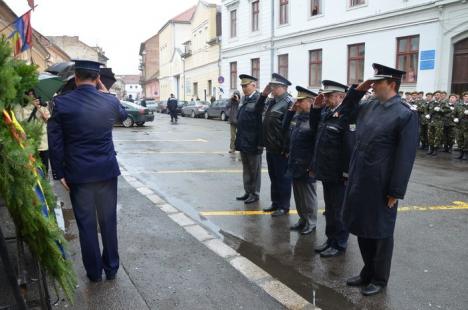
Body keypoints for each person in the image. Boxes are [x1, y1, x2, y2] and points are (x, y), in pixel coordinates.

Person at [341, 63, 418, 296]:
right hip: (360, 176)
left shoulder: (405, 113)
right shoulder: (369, 105)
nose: (373, 85)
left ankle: (380, 278)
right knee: (363, 228)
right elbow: (344, 113)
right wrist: (358, 91)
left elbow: (406, 157)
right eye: (372, 82)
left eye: (378, 82)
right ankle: (367, 271)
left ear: (392, 84)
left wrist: (396, 190)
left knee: (381, 233)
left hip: (382, 183)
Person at [48, 59, 128, 282]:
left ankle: (94, 272)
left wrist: (59, 173)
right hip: (106, 171)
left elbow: (55, 142)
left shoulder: (62, 103)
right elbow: (123, 116)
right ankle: (111, 268)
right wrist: (106, 93)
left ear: (76, 77)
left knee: (86, 225)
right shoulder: (109, 102)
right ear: (97, 78)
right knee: (108, 221)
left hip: (79, 174)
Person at [309, 80, 351, 258]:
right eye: (325, 95)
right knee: (330, 209)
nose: (324, 98)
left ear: (340, 96)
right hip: (326, 170)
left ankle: (340, 243)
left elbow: (349, 146)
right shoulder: (327, 112)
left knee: (339, 210)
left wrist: (346, 172)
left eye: (328, 96)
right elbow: (314, 132)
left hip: (339, 173)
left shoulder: (346, 115)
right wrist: (316, 109)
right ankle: (330, 239)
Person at [256, 73, 293, 217]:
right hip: (271, 147)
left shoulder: (289, 103)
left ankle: (284, 206)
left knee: (283, 179)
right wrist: (264, 95)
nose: (272, 89)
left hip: (281, 149)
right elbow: (257, 109)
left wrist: (286, 148)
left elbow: (290, 128)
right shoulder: (273, 101)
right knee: (274, 177)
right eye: (271, 86)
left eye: (275, 86)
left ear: (283, 87)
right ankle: (276, 203)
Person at [284, 86, 318, 235]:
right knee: (298, 194)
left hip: (307, 164)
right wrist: (291, 110)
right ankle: (302, 219)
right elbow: (284, 127)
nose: (297, 103)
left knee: (308, 196)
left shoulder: (315, 120)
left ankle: (311, 222)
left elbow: (318, 146)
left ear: (310, 102)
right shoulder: (298, 117)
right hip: (295, 162)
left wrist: (313, 166)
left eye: (300, 101)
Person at [235, 75, 262, 204]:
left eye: (246, 86)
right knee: (246, 168)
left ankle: (255, 193)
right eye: (242, 86)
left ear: (254, 85)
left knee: (254, 170)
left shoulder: (259, 99)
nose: (244, 88)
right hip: (243, 140)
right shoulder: (244, 99)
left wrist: (260, 143)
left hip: (253, 142)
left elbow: (261, 124)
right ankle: (247, 191)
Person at [14, 90, 50, 173]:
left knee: (44, 168)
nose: (32, 96)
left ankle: (46, 180)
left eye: (33, 94)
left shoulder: (42, 106)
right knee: (33, 169)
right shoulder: (21, 107)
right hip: (29, 142)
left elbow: (48, 120)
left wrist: (38, 108)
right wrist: (30, 107)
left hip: (43, 142)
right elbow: (20, 121)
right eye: (29, 94)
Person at [427, 90, 445, 156]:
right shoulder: (431, 103)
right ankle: (431, 149)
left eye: (438, 95)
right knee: (430, 136)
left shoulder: (443, 103)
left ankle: (435, 149)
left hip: (439, 122)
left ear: (440, 96)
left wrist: (440, 110)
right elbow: (426, 109)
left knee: (437, 136)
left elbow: (448, 110)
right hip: (431, 121)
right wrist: (427, 114)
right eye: (436, 95)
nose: (437, 96)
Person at [454, 91, 468, 160]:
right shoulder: (458, 105)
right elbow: (454, 114)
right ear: (463, 97)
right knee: (459, 139)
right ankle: (461, 153)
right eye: (465, 96)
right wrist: (455, 118)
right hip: (459, 125)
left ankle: (465, 153)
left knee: (466, 140)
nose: (467, 98)